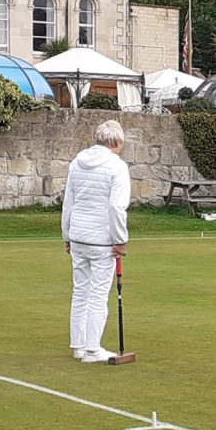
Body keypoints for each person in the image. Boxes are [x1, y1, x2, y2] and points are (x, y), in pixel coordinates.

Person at [61, 119, 131, 363]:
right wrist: (120, 239)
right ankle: (92, 350)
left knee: (80, 291)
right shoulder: (117, 166)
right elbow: (116, 207)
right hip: (102, 241)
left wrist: (67, 235)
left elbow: (68, 203)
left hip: (79, 236)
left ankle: (79, 346)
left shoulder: (76, 163)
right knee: (98, 294)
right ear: (117, 142)